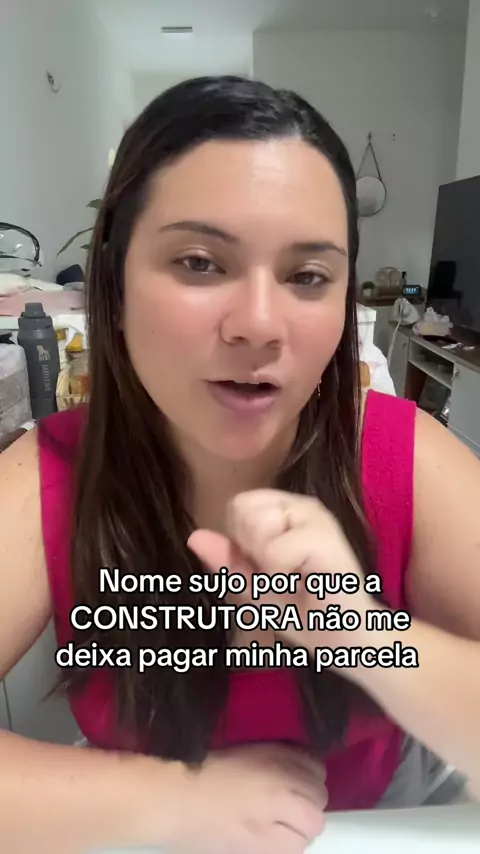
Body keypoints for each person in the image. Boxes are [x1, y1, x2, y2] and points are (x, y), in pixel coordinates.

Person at [1, 75, 479, 854]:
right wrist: (171, 798)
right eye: (199, 262)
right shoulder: (50, 475)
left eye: (308, 276)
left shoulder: (405, 457)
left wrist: (360, 634)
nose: (258, 325)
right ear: (113, 284)